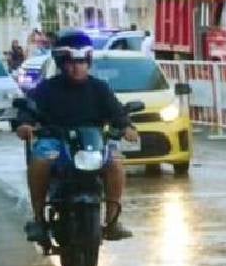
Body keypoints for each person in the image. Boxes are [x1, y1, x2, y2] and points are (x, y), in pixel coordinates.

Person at [14, 29, 139, 243]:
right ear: (61, 63)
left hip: (93, 142)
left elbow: (117, 112)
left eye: (81, 62)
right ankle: (38, 219)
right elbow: (28, 109)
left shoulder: (99, 88)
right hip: (54, 140)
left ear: (88, 62)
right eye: (71, 62)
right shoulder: (47, 88)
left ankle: (112, 221)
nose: (76, 67)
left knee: (116, 163)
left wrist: (127, 127)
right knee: (40, 161)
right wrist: (24, 124)